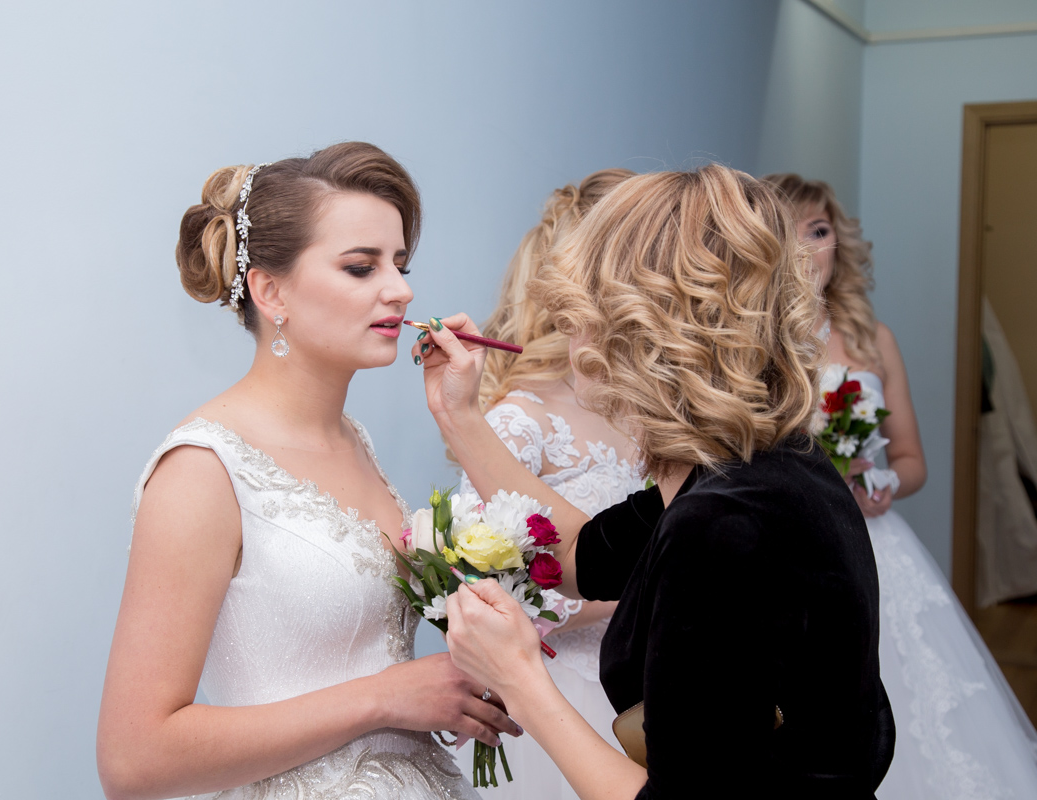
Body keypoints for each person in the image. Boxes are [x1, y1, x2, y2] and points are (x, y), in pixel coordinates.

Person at [413, 164, 895, 799]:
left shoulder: (724, 525)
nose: (566, 330)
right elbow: (578, 553)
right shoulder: (750, 466)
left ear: (642, 330)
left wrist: (520, 679)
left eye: (580, 310)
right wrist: (460, 415)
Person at [96, 143, 512, 800]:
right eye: (361, 267)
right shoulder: (204, 470)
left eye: (400, 264)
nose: (400, 289)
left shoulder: (354, 442)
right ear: (271, 291)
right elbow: (132, 761)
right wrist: (383, 697)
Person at [766, 172, 1037, 800]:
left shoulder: (873, 338)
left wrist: (883, 482)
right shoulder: (755, 341)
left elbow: (912, 460)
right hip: (793, 549)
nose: (809, 249)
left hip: (877, 544)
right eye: (791, 232)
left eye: (820, 231)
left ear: (838, 241)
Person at [448, 168, 643, 798]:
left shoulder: (650, 410)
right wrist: (649, 591)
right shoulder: (520, 421)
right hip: (565, 697)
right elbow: (485, 588)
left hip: (649, 682)